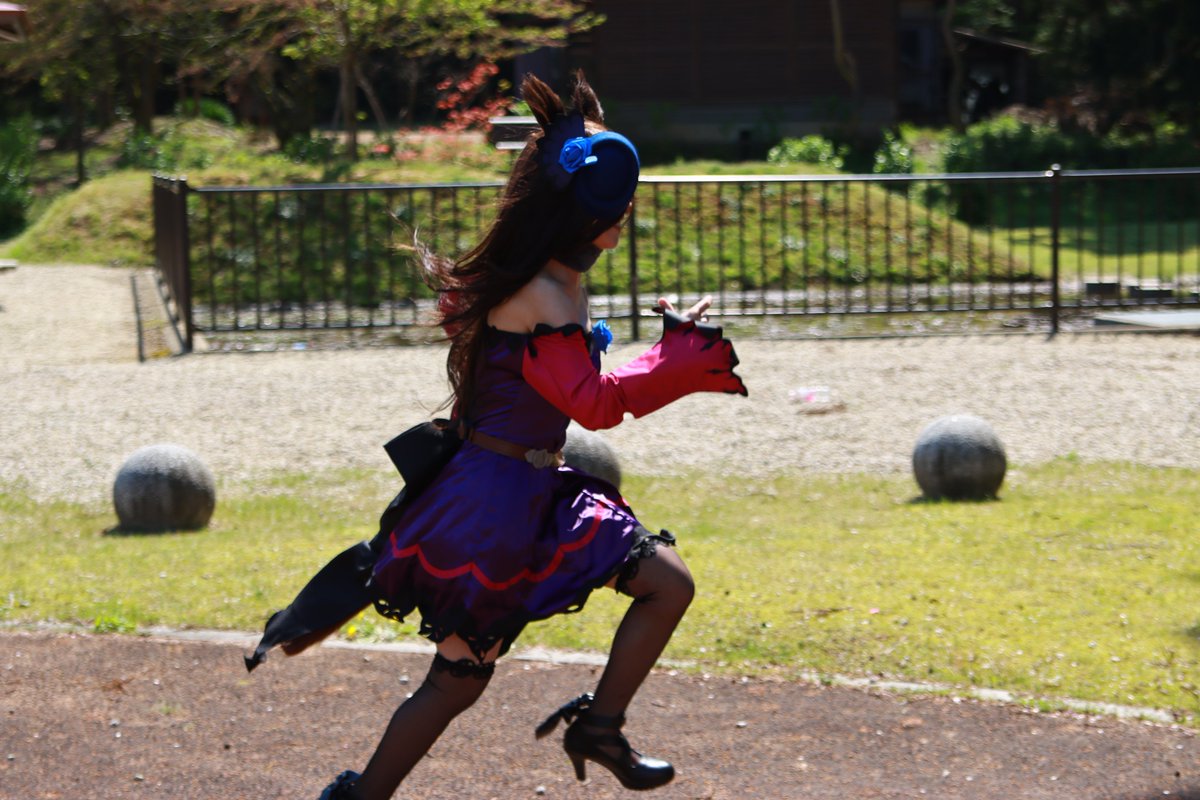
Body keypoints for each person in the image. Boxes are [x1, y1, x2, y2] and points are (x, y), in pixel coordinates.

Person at [245, 72, 747, 800]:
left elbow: (571, 391)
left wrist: (668, 350)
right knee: (457, 682)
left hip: (537, 485)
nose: (627, 213)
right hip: (490, 508)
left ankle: (600, 728)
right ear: (575, 209)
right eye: (616, 202)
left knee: (666, 584)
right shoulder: (542, 292)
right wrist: (679, 357)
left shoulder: (557, 280)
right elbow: (594, 404)